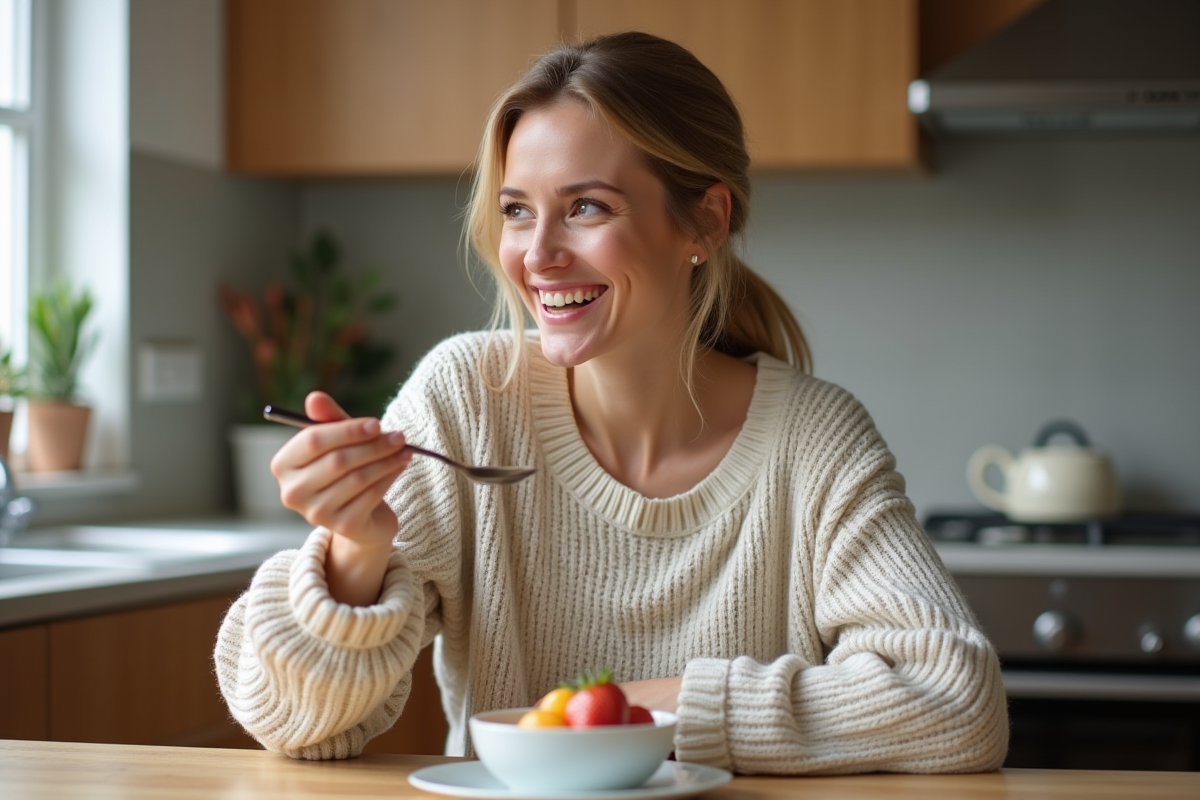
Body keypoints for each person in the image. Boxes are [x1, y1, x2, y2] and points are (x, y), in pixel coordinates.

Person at [214, 31, 1008, 773]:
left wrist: (622, 712)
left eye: (587, 207)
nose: (538, 255)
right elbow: (294, 724)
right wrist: (356, 550)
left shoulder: (812, 439)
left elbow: (956, 700)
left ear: (704, 219)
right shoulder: (467, 400)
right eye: (518, 210)